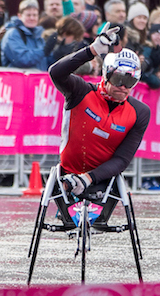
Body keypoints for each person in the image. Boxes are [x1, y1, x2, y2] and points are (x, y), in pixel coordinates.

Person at [48, 25, 151, 200]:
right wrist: (91, 51)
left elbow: (122, 159)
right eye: (118, 79)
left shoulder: (140, 112)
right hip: (68, 173)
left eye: (130, 82)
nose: (123, 87)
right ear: (106, 75)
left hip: (102, 179)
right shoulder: (81, 91)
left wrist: (88, 178)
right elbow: (56, 73)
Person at [1, 0, 49, 70]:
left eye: (35, 15)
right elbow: (22, 59)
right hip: (18, 76)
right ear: (19, 16)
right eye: (28, 15)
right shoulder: (12, 34)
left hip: (40, 76)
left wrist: (58, 52)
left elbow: (46, 61)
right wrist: (44, 50)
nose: (32, 18)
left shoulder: (40, 34)